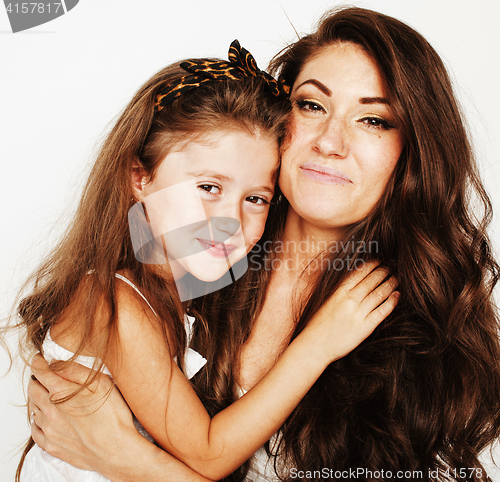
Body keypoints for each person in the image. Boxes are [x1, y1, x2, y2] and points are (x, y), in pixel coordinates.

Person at [27, 6, 500, 482]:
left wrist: (128, 459)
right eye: (312, 105)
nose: (330, 142)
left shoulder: (415, 326)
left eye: (373, 119)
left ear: (413, 151)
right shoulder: (196, 267)